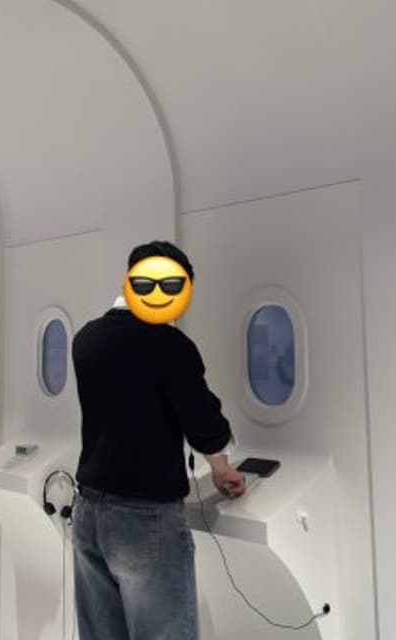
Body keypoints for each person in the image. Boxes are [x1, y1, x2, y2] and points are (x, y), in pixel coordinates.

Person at [71, 240, 246, 640]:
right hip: (145, 518)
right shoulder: (170, 346)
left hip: (88, 513)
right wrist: (221, 466)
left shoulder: (85, 339)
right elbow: (203, 422)